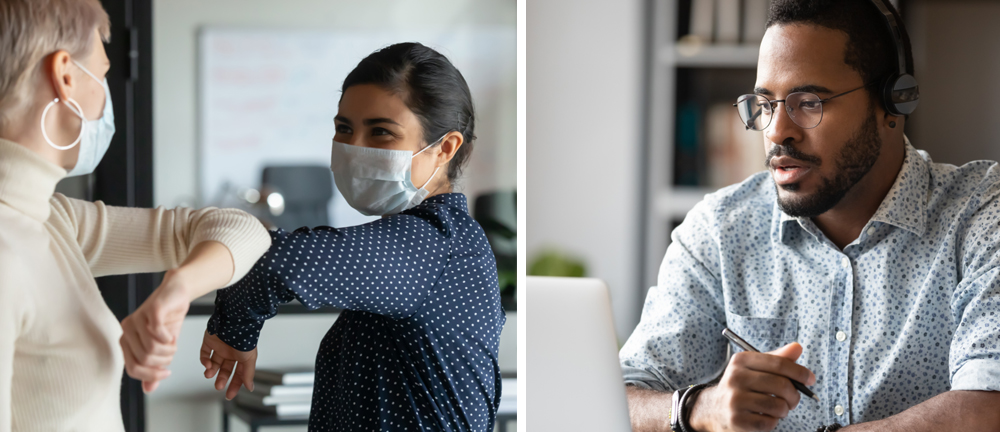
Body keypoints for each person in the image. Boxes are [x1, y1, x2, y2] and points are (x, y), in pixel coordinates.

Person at [619, 1, 1000, 431]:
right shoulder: (720, 229)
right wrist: (698, 409)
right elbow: (620, 399)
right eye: (764, 103)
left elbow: (988, 409)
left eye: (809, 102)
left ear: (893, 101)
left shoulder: (981, 215)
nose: (777, 130)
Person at [184, 42, 502, 431]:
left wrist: (234, 331)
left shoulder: (432, 243)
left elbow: (272, 261)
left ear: (444, 149)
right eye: (344, 128)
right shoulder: (441, 242)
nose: (354, 148)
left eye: (381, 132)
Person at [0, 0, 271, 430]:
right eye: (103, 73)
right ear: (65, 76)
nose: (106, 98)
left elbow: (244, 229)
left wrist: (178, 288)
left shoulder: (52, 218)